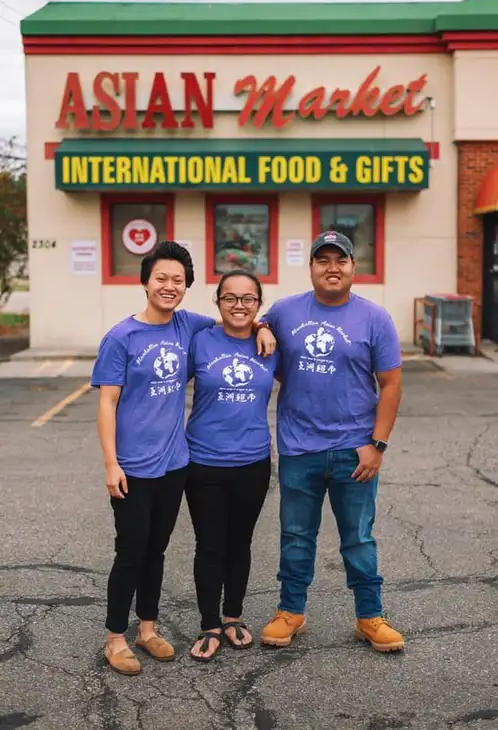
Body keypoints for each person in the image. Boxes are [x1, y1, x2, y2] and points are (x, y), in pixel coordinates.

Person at [91, 241, 275, 676]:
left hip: (176, 463)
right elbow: (106, 404)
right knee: (131, 550)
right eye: (161, 278)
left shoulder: (186, 326)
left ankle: (147, 629)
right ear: (145, 282)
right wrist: (111, 463)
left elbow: (235, 316)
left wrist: (263, 324)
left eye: (177, 280)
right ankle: (115, 636)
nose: (169, 286)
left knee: (156, 550)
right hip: (133, 465)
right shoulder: (121, 337)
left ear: (187, 287)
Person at [259, 230, 404, 653]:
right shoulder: (285, 311)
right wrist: (261, 326)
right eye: (322, 260)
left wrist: (377, 445)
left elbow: (391, 385)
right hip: (299, 448)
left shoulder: (374, 318)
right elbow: (259, 327)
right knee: (296, 536)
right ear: (311, 268)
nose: (332, 267)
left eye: (340, 260)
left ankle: (369, 616)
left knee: (359, 538)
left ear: (353, 267)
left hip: (354, 451)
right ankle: (291, 612)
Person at [185, 270, 279, 662]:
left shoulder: (273, 346)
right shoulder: (200, 341)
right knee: (210, 545)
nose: (239, 305)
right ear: (217, 302)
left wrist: (265, 326)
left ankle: (233, 616)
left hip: (253, 462)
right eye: (230, 298)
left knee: (239, 543)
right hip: (203, 461)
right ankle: (210, 623)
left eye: (248, 299)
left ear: (259, 303)